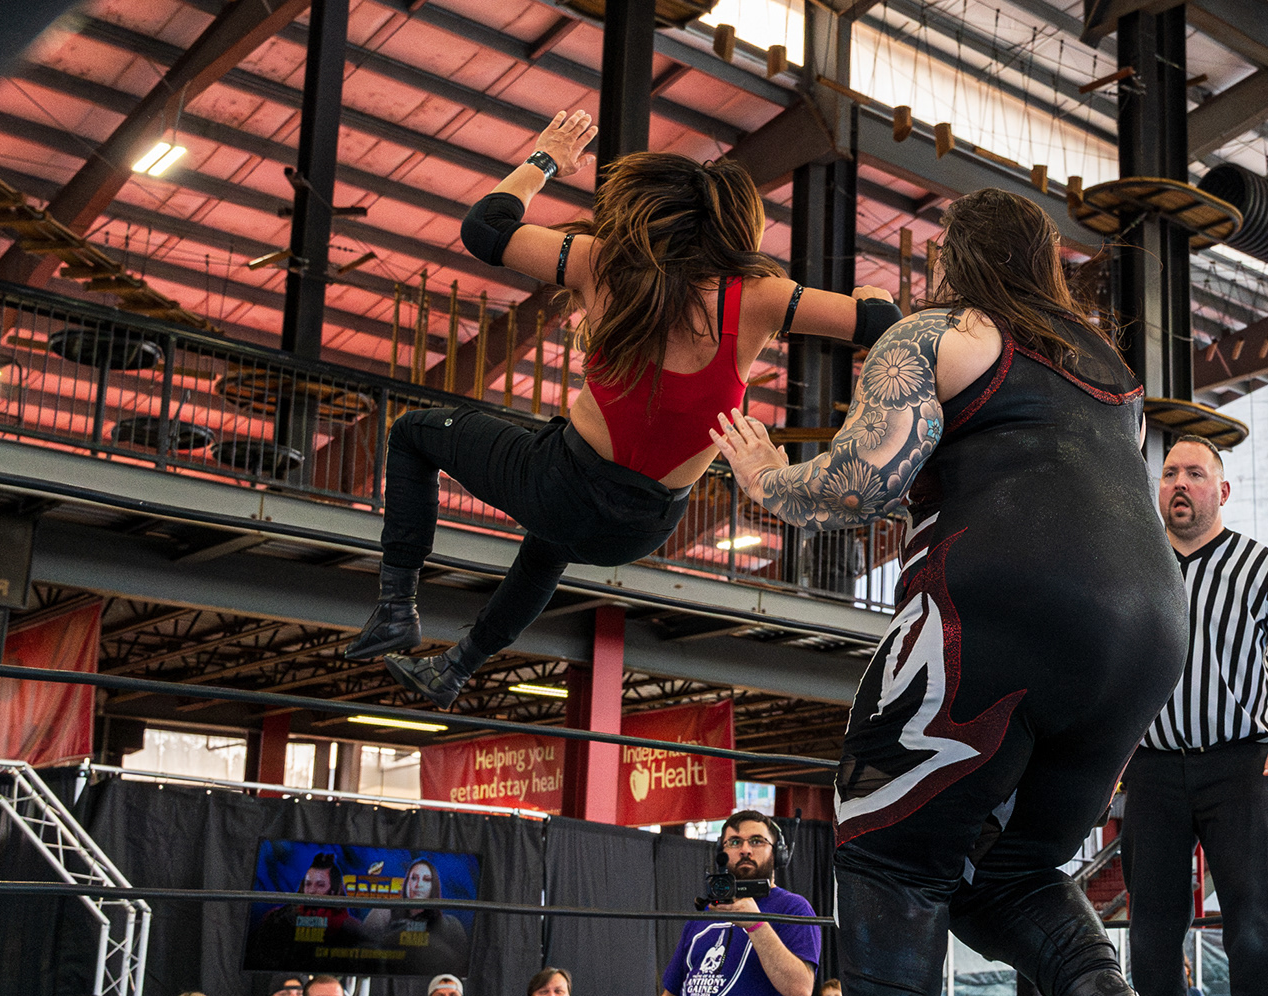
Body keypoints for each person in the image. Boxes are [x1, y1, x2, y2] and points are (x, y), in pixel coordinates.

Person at [711, 188, 1191, 996]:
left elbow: (861, 482)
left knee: (888, 842)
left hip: (1006, 602)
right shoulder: (1111, 370)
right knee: (1000, 869)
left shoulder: (941, 333)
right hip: (1149, 629)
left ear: (949, 261)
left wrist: (762, 476)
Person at [345, 109, 900, 709]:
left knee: (413, 432)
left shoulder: (603, 264)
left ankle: (396, 607)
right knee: (547, 549)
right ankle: (456, 668)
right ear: (738, 227)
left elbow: (485, 228)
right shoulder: (761, 298)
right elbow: (881, 323)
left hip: (559, 486)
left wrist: (546, 159)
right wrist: (872, 298)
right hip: (641, 530)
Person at [1096, 432, 1268, 996]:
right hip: (1154, 766)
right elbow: (1114, 662)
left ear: (1221, 490)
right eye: (1169, 473)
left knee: (1253, 907)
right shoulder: (1135, 564)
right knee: (1153, 917)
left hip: (1240, 762)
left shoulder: (1260, 566)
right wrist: (1104, 751)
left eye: (1195, 473)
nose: (1180, 484)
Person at [656, 811, 822, 996]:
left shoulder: (793, 908)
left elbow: (800, 991)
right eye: (734, 842)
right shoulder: (703, 915)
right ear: (721, 852)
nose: (745, 850)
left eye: (756, 841)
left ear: (778, 853)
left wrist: (756, 924)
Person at [361, 855, 468, 974]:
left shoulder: (450, 925)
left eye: (426, 879)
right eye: (414, 878)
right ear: (406, 882)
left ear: (434, 886)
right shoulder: (383, 913)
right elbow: (363, 953)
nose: (418, 885)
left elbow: (459, 967)